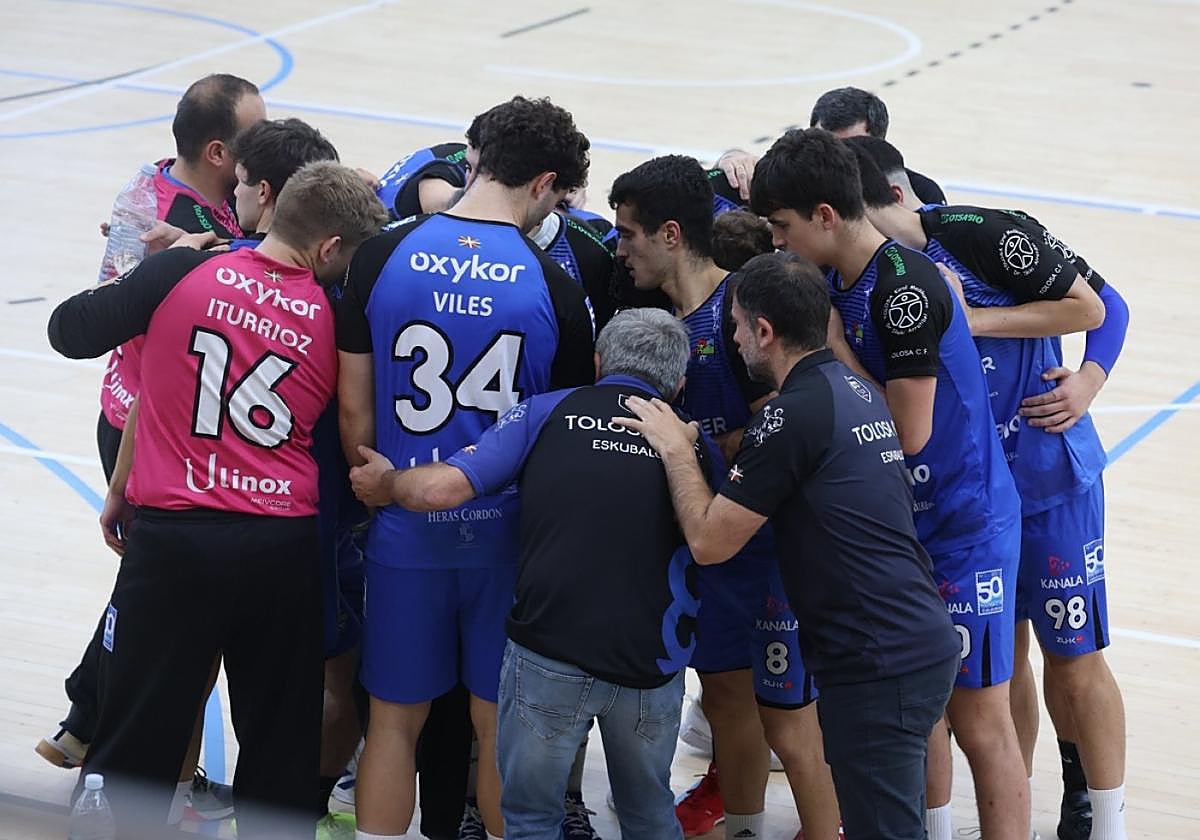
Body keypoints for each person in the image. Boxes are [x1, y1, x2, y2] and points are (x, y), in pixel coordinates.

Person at [46, 161, 388, 837]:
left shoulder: (183, 272)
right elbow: (356, 431)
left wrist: (148, 271)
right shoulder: (337, 311)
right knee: (277, 749)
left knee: (139, 736)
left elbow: (70, 332)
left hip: (174, 541)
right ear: (327, 249)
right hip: (279, 550)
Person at [615, 252, 961, 840]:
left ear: (764, 332)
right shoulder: (852, 387)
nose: (732, 338)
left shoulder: (791, 415)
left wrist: (676, 447)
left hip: (875, 658)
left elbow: (708, 541)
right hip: (907, 640)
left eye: (736, 326)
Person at [846, 138, 1130, 840]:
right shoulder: (874, 275)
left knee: (1075, 657)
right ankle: (1019, 812)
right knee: (1005, 669)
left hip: (1047, 477)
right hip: (978, 496)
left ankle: (1109, 821)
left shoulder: (974, 234)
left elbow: (1104, 305)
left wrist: (1089, 379)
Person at [750, 128, 1029, 839]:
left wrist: (834, 353)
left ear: (824, 216)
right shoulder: (840, 278)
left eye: (783, 228)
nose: (779, 245)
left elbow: (907, 434)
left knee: (977, 716)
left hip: (965, 525)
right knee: (920, 713)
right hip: (911, 525)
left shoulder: (904, 288)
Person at [347, 308, 713, 840]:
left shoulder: (547, 411)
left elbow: (440, 490)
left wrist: (389, 483)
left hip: (551, 652)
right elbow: (715, 538)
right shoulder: (691, 443)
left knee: (532, 819)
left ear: (597, 362)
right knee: (648, 814)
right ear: (679, 384)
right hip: (650, 664)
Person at [336, 95, 595, 840]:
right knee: (495, 728)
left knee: (392, 723)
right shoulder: (555, 287)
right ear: (544, 183)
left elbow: (354, 414)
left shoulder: (382, 256)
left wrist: (384, 492)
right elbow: (556, 433)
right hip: (503, 541)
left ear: (476, 156)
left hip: (402, 532)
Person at [35, 71, 267, 824]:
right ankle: (103, 754)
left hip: (168, 415)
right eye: (252, 135)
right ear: (213, 149)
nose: (262, 144)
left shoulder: (167, 187)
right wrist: (200, 253)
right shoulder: (160, 215)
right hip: (144, 419)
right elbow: (130, 312)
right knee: (163, 607)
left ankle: (89, 724)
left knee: (156, 595)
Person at [610, 155, 840, 840]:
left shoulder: (743, 309)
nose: (619, 250)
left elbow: (787, 427)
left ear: (672, 235)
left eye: (629, 235)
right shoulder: (656, 318)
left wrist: (692, 446)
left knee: (787, 720)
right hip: (705, 548)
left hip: (763, 549)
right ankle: (742, 826)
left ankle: (828, 830)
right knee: (727, 700)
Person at [808, 86, 946, 206]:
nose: (836, 159)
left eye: (851, 150)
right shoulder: (797, 190)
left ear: (880, 144)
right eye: (825, 146)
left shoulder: (921, 194)